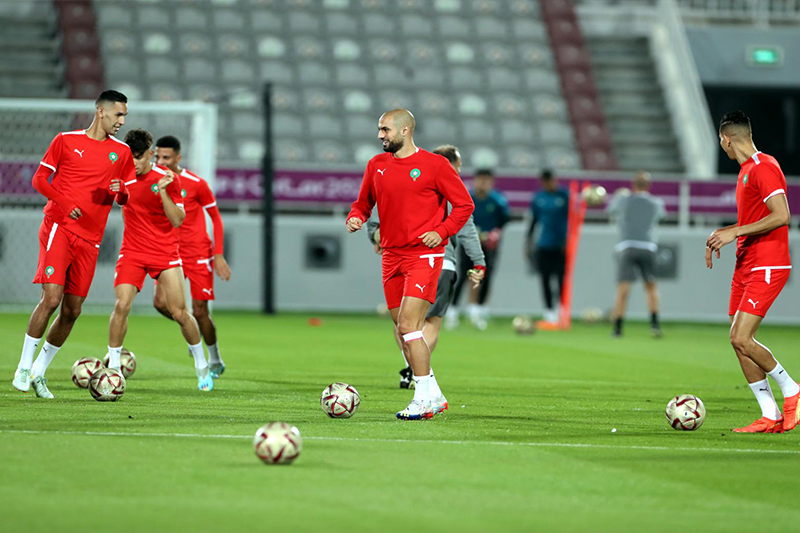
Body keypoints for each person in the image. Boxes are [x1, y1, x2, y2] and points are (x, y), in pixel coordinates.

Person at [346, 109, 474, 420]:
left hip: (424, 256)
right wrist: (356, 216)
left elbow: (464, 205)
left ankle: (422, 402)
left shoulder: (435, 166)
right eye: (379, 129)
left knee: (409, 326)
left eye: (385, 129)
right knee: (403, 331)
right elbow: (364, 202)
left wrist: (441, 231)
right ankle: (435, 393)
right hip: (391, 256)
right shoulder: (376, 165)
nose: (380, 136)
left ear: (405, 130)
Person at [11, 90, 134, 398]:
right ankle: (23, 366)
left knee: (72, 310)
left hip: (91, 239)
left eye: (125, 116)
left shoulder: (122, 153)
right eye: (118, 115)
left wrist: (121, 193)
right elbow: (39, 180)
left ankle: (39, 372)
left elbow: (124, 197)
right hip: (60, 227)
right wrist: (64, 203)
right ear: (101, 111)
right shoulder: (66, 140)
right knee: (51, 298)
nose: (122, 121)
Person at [707, 110, 798, 433]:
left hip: (768, 262)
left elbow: (782, 215)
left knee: (741, 336)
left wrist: (734, 232)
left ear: (726, 139)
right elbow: (754, 218)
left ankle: (792, 390)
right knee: (739, 341)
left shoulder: (763, 167)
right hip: (746, 263)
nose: (723, 148)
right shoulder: (746, 170)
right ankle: (770, 414)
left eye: (722, 143)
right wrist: (726, 232)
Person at [367, 145, 486, 389]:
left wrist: (375, 234)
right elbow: (467, 228)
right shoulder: (450, 185)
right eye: (458, 166)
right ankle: (418, 372)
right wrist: (478, 261)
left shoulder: (401, 178)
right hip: (440, 261)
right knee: (429, 323)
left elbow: (379, 210)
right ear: (449, 164)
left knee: (404, 323)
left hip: (404, 259)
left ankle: (414, 370)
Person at [108, 129, 214, 392]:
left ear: (150, 154)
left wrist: (164, 192)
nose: (134, 163)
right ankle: (112, 369)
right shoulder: (123, 174)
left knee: (179, 312)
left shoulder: (167, 179)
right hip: (132, 251)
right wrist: (119, 193)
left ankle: (202, 366)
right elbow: (122, 201)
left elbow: (177, 220)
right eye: (130, 157)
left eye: (139, 158)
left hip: (165, 253)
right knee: (121, 305)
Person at [152, 135, 231, 378]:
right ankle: (191, 334)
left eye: (166, 157)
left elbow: (216, 218)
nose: (161, 161)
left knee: (199, 310)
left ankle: (215, 359)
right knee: (161, 304)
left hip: (197, 252)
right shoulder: (152, 179)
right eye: (157, 156)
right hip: (168, 251)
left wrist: (218, 255)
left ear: (178, 158)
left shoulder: (196, 183)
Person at [448, 168, 510, 330]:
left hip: (488, 246)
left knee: (485, 276)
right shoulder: (468, 198)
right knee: (463, 275)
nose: (483, 184)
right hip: (469, 244)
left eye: (486, 180)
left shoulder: (497, 201)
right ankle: (452, 311)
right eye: (480, 180)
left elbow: (504, 219)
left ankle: (478, 310)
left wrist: (495, 233)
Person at [607, 171, 666, 338]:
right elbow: (662, 216)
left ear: (633, 184)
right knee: (651, 287)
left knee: (623, 288)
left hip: (627, 247)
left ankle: (617, 328)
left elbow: (610, 210)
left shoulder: (623, 200)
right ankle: (655, 326)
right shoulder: (655, 202)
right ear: (648, 186)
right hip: (648, 246)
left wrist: (619, 197)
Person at [525, 170, 569, 323]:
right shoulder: (539, 198)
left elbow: (573, 220)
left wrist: (568, 241)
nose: (549, 184)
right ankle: (549, 311)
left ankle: (562, 309)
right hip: (543, 244)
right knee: (545, 279)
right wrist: (528, 242)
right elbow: (533, 222)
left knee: (561, 279)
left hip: (561, 245)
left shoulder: (565, 196)